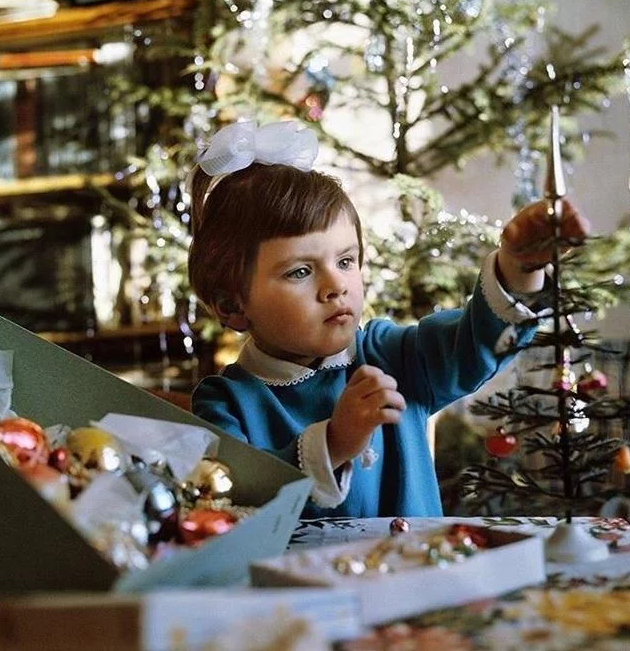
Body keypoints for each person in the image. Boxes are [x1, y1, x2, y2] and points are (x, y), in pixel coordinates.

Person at [188, 119, 589, 518]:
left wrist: (519, 267)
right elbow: (235, 509)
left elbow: (472, 345)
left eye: (346, 261)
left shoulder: (390, 355)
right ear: (232, 306)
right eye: (300, 271)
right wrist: (333, 443)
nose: (335, 286)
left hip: (418, 576)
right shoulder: (225, 404)